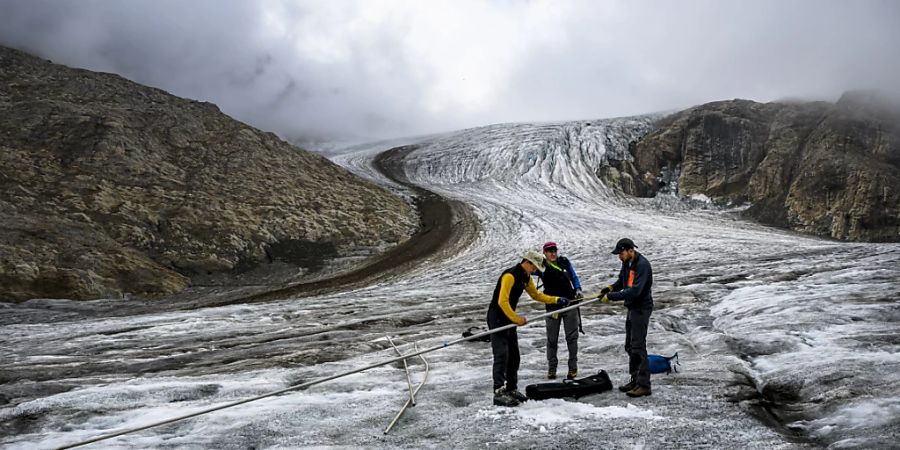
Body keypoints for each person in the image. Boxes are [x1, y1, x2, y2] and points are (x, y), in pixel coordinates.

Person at [487, 249, 569, 407]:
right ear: (527, 262)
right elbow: (502, 302)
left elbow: (536, 295)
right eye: (535, 267)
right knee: (501, 354)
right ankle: (498, 391)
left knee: (514, 355)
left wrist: (556, 300)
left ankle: (511, 388)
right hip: (497, 317)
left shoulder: (526, 277)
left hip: (509, 317)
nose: (536, 270)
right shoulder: (510, 276)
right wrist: (516, 319)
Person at [599, 238, 654, 398]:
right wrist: (610, 288)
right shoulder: (627, 263)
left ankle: (644, 385)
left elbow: (635, 291)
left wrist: (611, 297)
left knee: (638, 346)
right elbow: (622, 281)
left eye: (621, 253)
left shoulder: (642, 265)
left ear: (630, 250)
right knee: (630, 345)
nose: (619, 257)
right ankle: (635, 379)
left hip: (641, 308)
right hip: (632, 307)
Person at [535, 241, 583, 380]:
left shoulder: (564, 262)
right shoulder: (541, 266)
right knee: (552, 340)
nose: (553, 253)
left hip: (570, 304)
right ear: (544, 253)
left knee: (572, 339)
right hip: (552, 308)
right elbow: (528, 271)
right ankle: (552, 368)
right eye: (549, 251)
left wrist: (578, 289)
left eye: (554, 250)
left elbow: (574, 277)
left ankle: (573, 368)